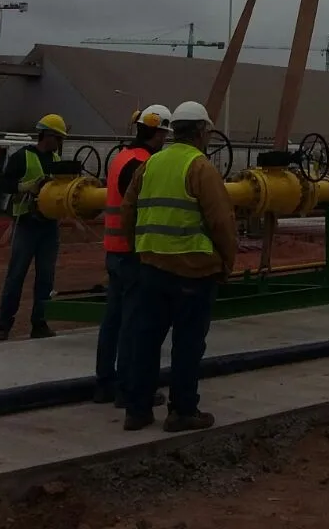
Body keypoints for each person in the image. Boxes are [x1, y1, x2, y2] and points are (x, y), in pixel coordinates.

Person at [119, 100, 237, 433]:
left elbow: (128, 211)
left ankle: (137, 410)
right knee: (187, 345)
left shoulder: (151, 165)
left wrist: (138, 251)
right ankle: (182, 410)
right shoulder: (201, 168)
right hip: (193, 272)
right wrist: (226, 263)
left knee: (145, 340)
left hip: (151, 267)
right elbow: (222, 222)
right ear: (201, 131)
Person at [93, 104, 173, 406]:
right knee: (133, 322)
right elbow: (140, 208)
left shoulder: (121, 157)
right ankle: (128, 389)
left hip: (114, 251)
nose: (165, 138)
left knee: (112, 321)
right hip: (133, 254)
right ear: (157, 131)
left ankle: (104, 383)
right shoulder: (143, 163)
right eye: (164, 132)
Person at [0, 114, 68, 341]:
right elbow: (4, 184)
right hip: (26, 223)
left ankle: (39, 324)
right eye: (57, 138)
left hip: (48, 226)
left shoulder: (56, 159)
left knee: (46, 278)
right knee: (16, 276)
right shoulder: (22, 156)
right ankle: (4, 326)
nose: (59, 143)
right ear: (47, 135)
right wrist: (24, 186)